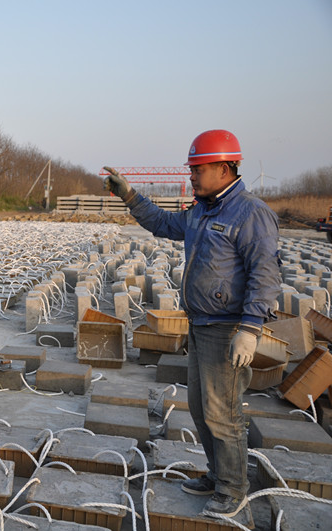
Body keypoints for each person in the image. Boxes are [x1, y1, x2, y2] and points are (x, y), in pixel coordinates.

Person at [104, 129, 280, 525]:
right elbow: (165, 223)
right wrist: (130, 196)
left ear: (224, 167)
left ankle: (233, 492)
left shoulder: (251, 213)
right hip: (200, 325)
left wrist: (250, 328)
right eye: (191, 169)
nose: (192, 177)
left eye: (198, 170)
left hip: (228, 329)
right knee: (202, 410)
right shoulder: (202, 209)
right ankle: (219, 476)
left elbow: (265, 275)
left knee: (223, 414)